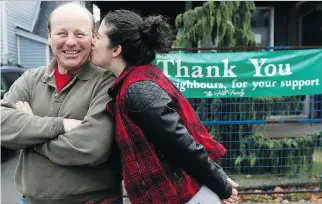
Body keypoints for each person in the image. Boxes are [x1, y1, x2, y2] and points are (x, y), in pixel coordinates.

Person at [89, 9, 238, 204]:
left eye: (98, 36)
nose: (93, 41)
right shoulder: (138, 79)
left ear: (116, 50)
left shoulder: (137, 90)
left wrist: (221, 185)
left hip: (183, 198)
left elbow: (181, 145)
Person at [0, 3, 122, 204]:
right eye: (62, 33)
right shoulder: (31, 79)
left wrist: (30, 130)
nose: (71, 42)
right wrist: (60, 125)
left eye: (80, 34)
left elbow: (92, 148)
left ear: (93, 37)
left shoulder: (107, 82)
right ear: (49, 36)